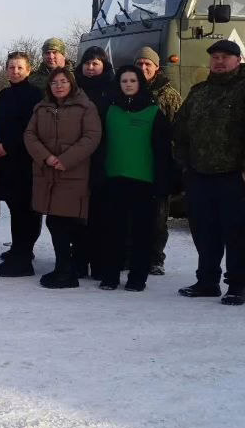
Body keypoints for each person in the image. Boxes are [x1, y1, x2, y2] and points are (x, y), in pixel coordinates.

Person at [173, 39, 245, 306]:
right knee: (204, 231)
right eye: (215, 56)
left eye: (226, 56)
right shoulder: (199, 92)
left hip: (233, 176)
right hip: (199, 175)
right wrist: (184, 164)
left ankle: (237, 285)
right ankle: (207, 281)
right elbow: (180, 130)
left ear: (238, 60)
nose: (219, 61)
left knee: (236, 233)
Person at [94, 65, 172, 291]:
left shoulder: (153, 112)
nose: (128, 84)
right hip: (113, 179)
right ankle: (110, 276)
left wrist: (163, 183)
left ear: (140, 84)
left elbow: (163, 151)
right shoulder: (109, 111)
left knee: (141, 233)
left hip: (143, 181)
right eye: (124, 81)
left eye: (132, 80)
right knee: (112, 231)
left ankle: (137, 278)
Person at [24, 68, 102, 289]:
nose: (58, 86)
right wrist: (46, 157)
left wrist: (65, 159)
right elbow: (30, 134)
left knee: (61, 222)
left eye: (63, 82)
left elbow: (92, 137)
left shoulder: (85, 107)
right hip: (47, 171)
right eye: (54, 82)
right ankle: (67, 267)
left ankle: (67, 271)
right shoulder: (42, 107)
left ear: (72, 84)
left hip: (72, 173)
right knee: (58, 222)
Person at [0, 51, 44, 277]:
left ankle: (24, 257)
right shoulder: (4, 94)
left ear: (28, 70)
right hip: (4, 162)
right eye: (11, 67)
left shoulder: (35, 95)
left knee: (25, 210)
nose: (15, 71)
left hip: (23, 161)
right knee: (14, 208)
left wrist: (8, 146)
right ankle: (17, 250)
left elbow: (30, 129)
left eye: (20, 67)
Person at [134, 46, 182, 276]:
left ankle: (155, 258)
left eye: (148, 64)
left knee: (158, 215)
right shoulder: (130, 91)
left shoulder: (168, 95)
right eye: (140, 64)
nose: (143, 68)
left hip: (160, 162)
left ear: (156, 68)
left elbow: (178, 129)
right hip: (134, 161)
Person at [74, 45, 114, 280]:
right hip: (77, 156)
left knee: (100, 213)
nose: (90, 68)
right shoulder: (75, 87)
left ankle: (99, 262)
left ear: (103, 65)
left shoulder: (112, 88)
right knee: (78, 213)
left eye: (95, 63)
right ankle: (79, 260)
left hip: (102, 156)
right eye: (87, 63)